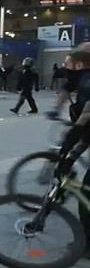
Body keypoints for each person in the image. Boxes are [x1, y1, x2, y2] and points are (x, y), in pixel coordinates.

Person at [49, 43, 90, 256]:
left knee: (87, 194)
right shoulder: (83, 80)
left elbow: (86, 118)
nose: (70, 67)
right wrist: (72, 153)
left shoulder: (88, 82)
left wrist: (69, 141)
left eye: (73, 62)